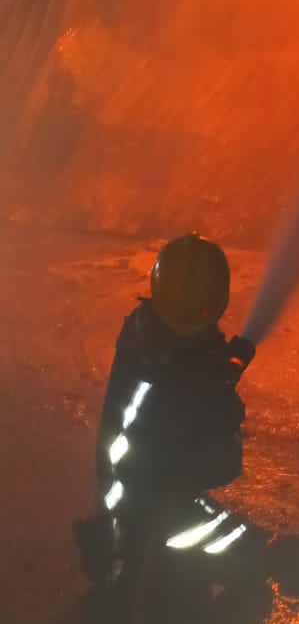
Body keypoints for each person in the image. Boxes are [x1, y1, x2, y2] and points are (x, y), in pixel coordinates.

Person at [77, 234, 255, 584]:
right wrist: (223, 376)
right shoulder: (170, 357)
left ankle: (124, 538)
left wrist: (225, 364)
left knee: (137, 510)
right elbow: (207, 405)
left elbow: (184, 377)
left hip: (134, 478)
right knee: (231, 540)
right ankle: (143, 543)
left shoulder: (147, 333)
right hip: (146, 486)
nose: (188, 318)